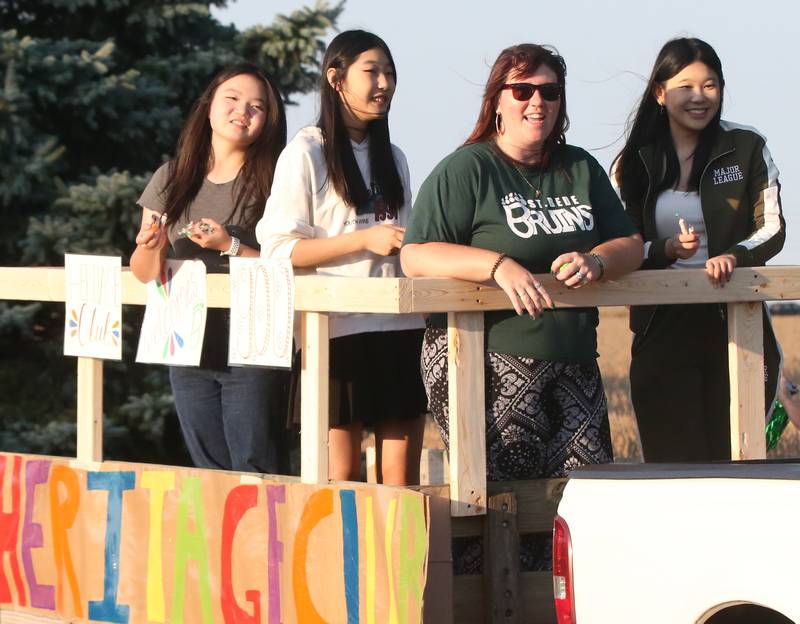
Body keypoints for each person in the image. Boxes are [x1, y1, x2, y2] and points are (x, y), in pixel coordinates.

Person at [401, 43, 643, 570]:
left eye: (549, 92)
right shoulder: (467, 169)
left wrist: (598, 261)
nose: (537, 102)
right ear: (498, 100)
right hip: (488, 360)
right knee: (504, 502)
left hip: (574, 358)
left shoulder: (579, 167)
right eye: (523, 90)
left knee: (586, 499)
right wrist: (497, 265)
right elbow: (416, 254)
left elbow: (631, 243)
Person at [257, 30, 426, 486]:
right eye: (372, 71)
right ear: (335, 78)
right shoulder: (305, 152)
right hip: (336, 331)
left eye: (390, 73)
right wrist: (362, 240)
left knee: (400, 484)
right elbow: (278, 250)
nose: (384, 84)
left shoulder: (395, 157)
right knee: (340, 480)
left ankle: (401, 562)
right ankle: (341, 562)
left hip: (401, 327)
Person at [613, 37, 785, 462]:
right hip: (661, 324)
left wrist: (736, 256)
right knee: (674, 466)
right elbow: (623, 240)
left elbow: (773, 228)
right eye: (685, 86)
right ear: (659, 92)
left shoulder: (747, 146)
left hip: (735, 320)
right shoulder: (633, 160)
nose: (699, 97)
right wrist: (663, 249)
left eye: (710, 86)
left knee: (739, 461)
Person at [130, 63, 290, 474]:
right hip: (186, 345)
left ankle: (270, 541)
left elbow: (289, 267)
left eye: (257, 106)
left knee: (257, 469)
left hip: (253, 346)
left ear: (268, 121)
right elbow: (145, 271)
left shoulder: (276, 180)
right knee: (209, 471)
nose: (243, 111)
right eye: (233, 99)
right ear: (209, 107)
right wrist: (153, 244)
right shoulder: (172, 178)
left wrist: (229, 245)